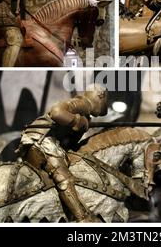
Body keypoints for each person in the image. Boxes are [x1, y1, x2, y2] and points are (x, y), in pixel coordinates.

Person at [15, 84, 108, 222]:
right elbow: (57, 112)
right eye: (104, 101)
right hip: (42, 138)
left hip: (46, 141)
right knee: (64, 178)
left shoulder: (86, 112)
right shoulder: (83, 103)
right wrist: (78, 120)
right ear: (100, 96)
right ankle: (83, 219)